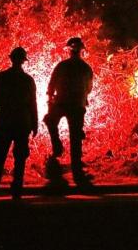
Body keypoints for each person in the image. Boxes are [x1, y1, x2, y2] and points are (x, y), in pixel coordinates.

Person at [0, 46, 38, 200]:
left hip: (5, 122)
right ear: (23, 61)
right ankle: (16, 191)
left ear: (11, 59)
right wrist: (34, 124)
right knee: (20, 158)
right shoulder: (28, 80)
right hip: (22, 122)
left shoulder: (1, 77)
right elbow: (32, 104)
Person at [44, 36, 94, 185]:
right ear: (81, 50)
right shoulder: (86, 68)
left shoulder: (62, 66)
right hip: (77, 105)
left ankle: (57, 148)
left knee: (50, 121)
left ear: (69, 50)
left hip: (62, 103)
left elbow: (51, 86)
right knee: (75, 137)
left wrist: (51, 102)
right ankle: (77, 170)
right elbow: (89, 89)